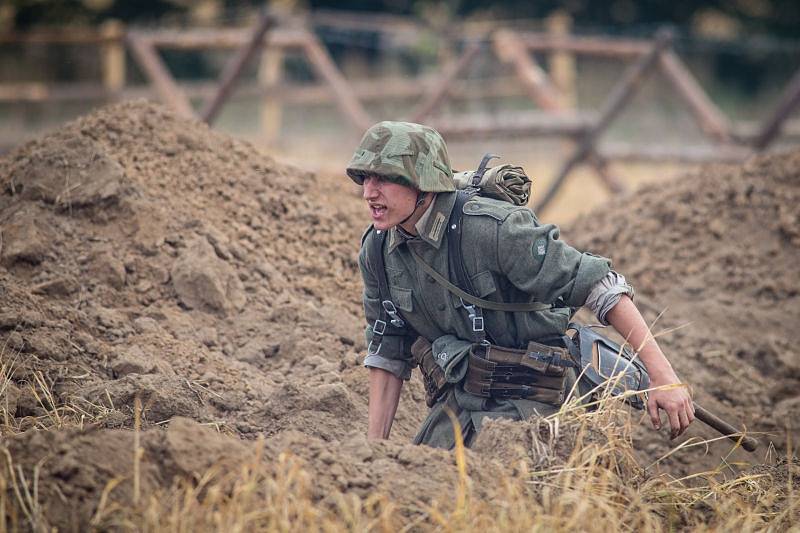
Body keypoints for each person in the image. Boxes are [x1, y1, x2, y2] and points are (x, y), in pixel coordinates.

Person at [347, 121, 694, 449]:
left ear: (421, 183)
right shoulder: (377, 251)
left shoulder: (493, 229)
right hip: (462, 401)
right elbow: (387, 352)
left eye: (385, 179)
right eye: (364, 178)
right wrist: (376, 453)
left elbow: (599, 285)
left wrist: (663, 376)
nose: (369, 192)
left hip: (538, 400)